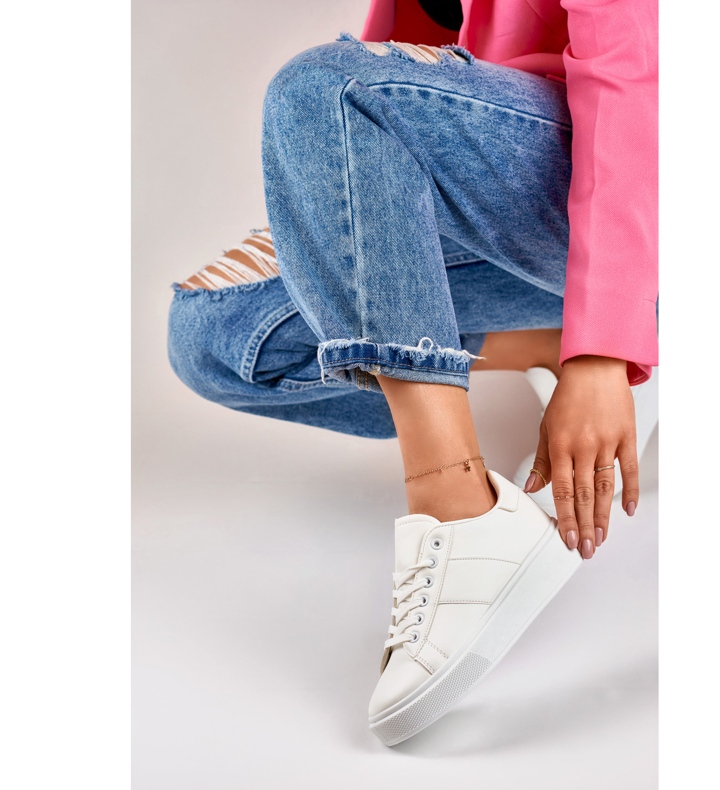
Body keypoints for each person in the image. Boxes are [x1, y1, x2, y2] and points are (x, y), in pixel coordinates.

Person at [167, 0, 657, 745]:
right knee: (214, 334)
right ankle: (582, 335)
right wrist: (331, 237)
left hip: (652, 177)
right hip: (518, 199)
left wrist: (603, 353)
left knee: (324, 86)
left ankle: (458, 510)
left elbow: (634, 80)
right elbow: (398, 92)